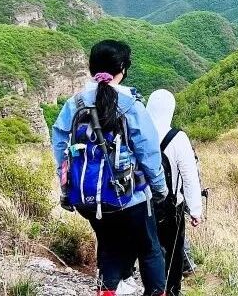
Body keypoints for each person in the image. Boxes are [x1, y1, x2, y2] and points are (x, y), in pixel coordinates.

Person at [52, 40, 169, 296]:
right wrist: (160, 188)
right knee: (150, 250)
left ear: (91, 67)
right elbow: (148, 152)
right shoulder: (131, 105)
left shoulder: (75, 104)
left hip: (89, 199)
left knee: (109, 248)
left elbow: (61, 144)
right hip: (132, 197)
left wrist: (66, 186)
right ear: (123, 69)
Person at [146, 89, 203, 296]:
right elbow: (189, 177)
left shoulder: (140, 133)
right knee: (173, 253)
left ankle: (151, 289)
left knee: (148, 252)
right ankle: (171, 291)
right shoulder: (178, 138)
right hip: (172, 207)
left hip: (141, 204)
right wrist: (195, 210)